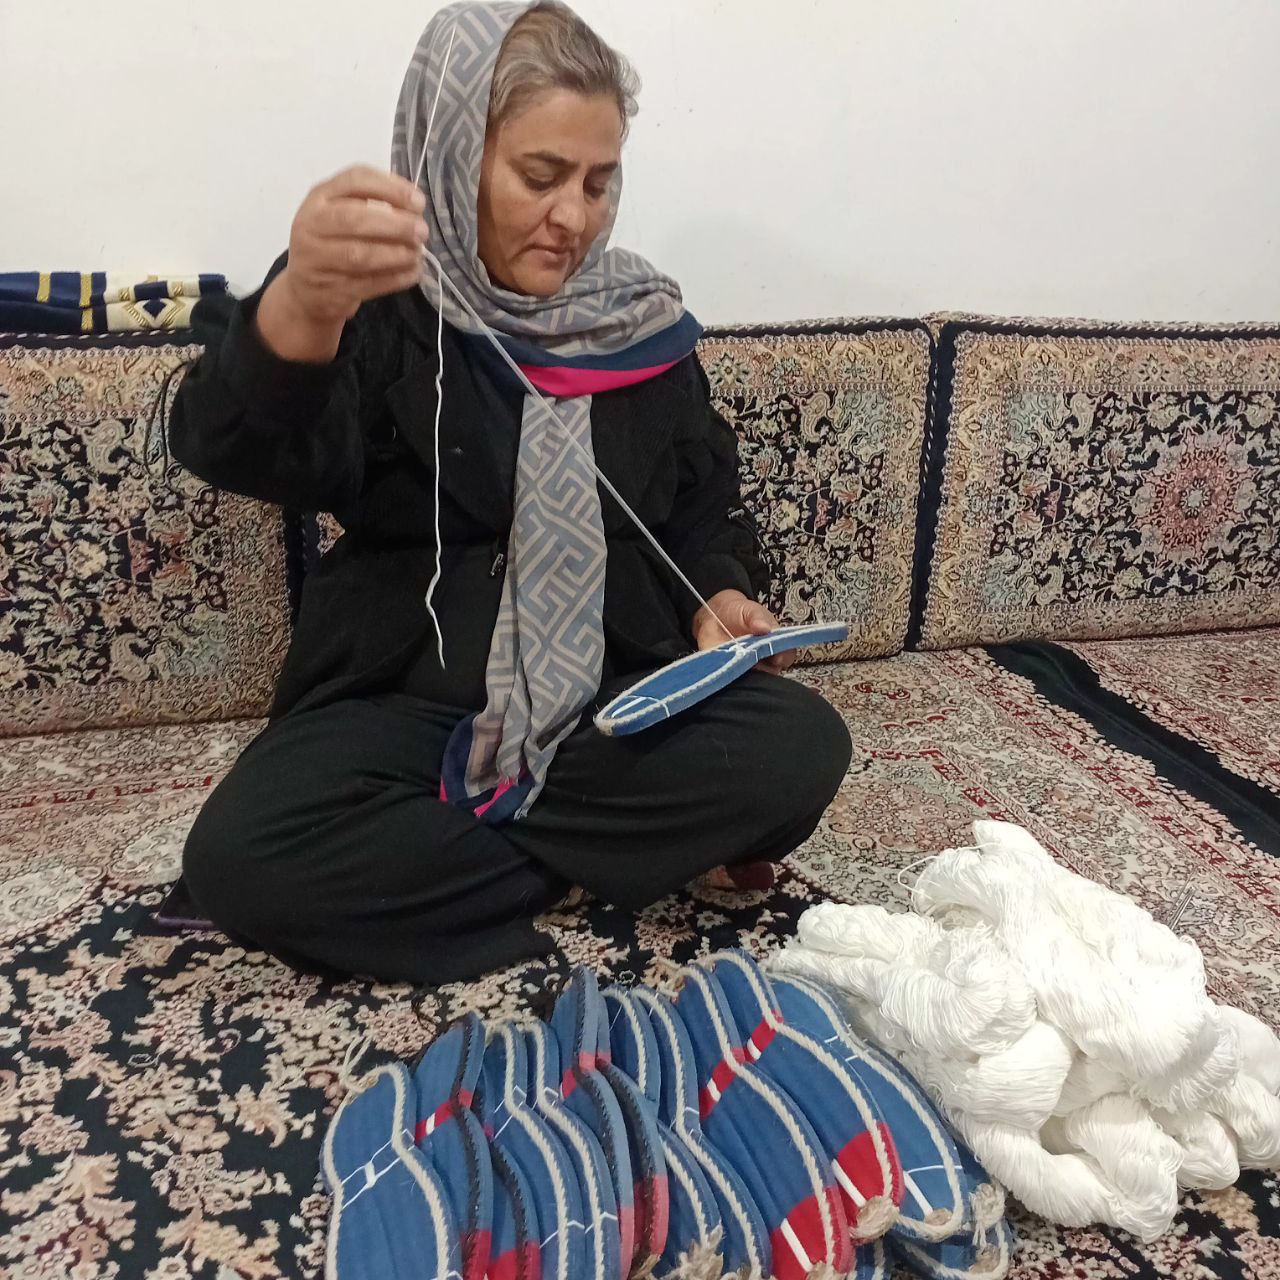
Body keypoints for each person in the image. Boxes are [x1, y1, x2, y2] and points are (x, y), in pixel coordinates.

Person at [170, 0, 852, 985]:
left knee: (798, 749)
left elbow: (699, 504)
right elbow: (242, 448)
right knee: (242, 858)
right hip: (406, 702)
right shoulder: (378, 298)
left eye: (597, 182)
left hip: (605, 704)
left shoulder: (637, 320)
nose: (572, 216)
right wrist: (300, 310)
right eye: (539, 176)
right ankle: (595, 863)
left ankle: (454, 867)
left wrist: (716, 595)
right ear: (457, 158)